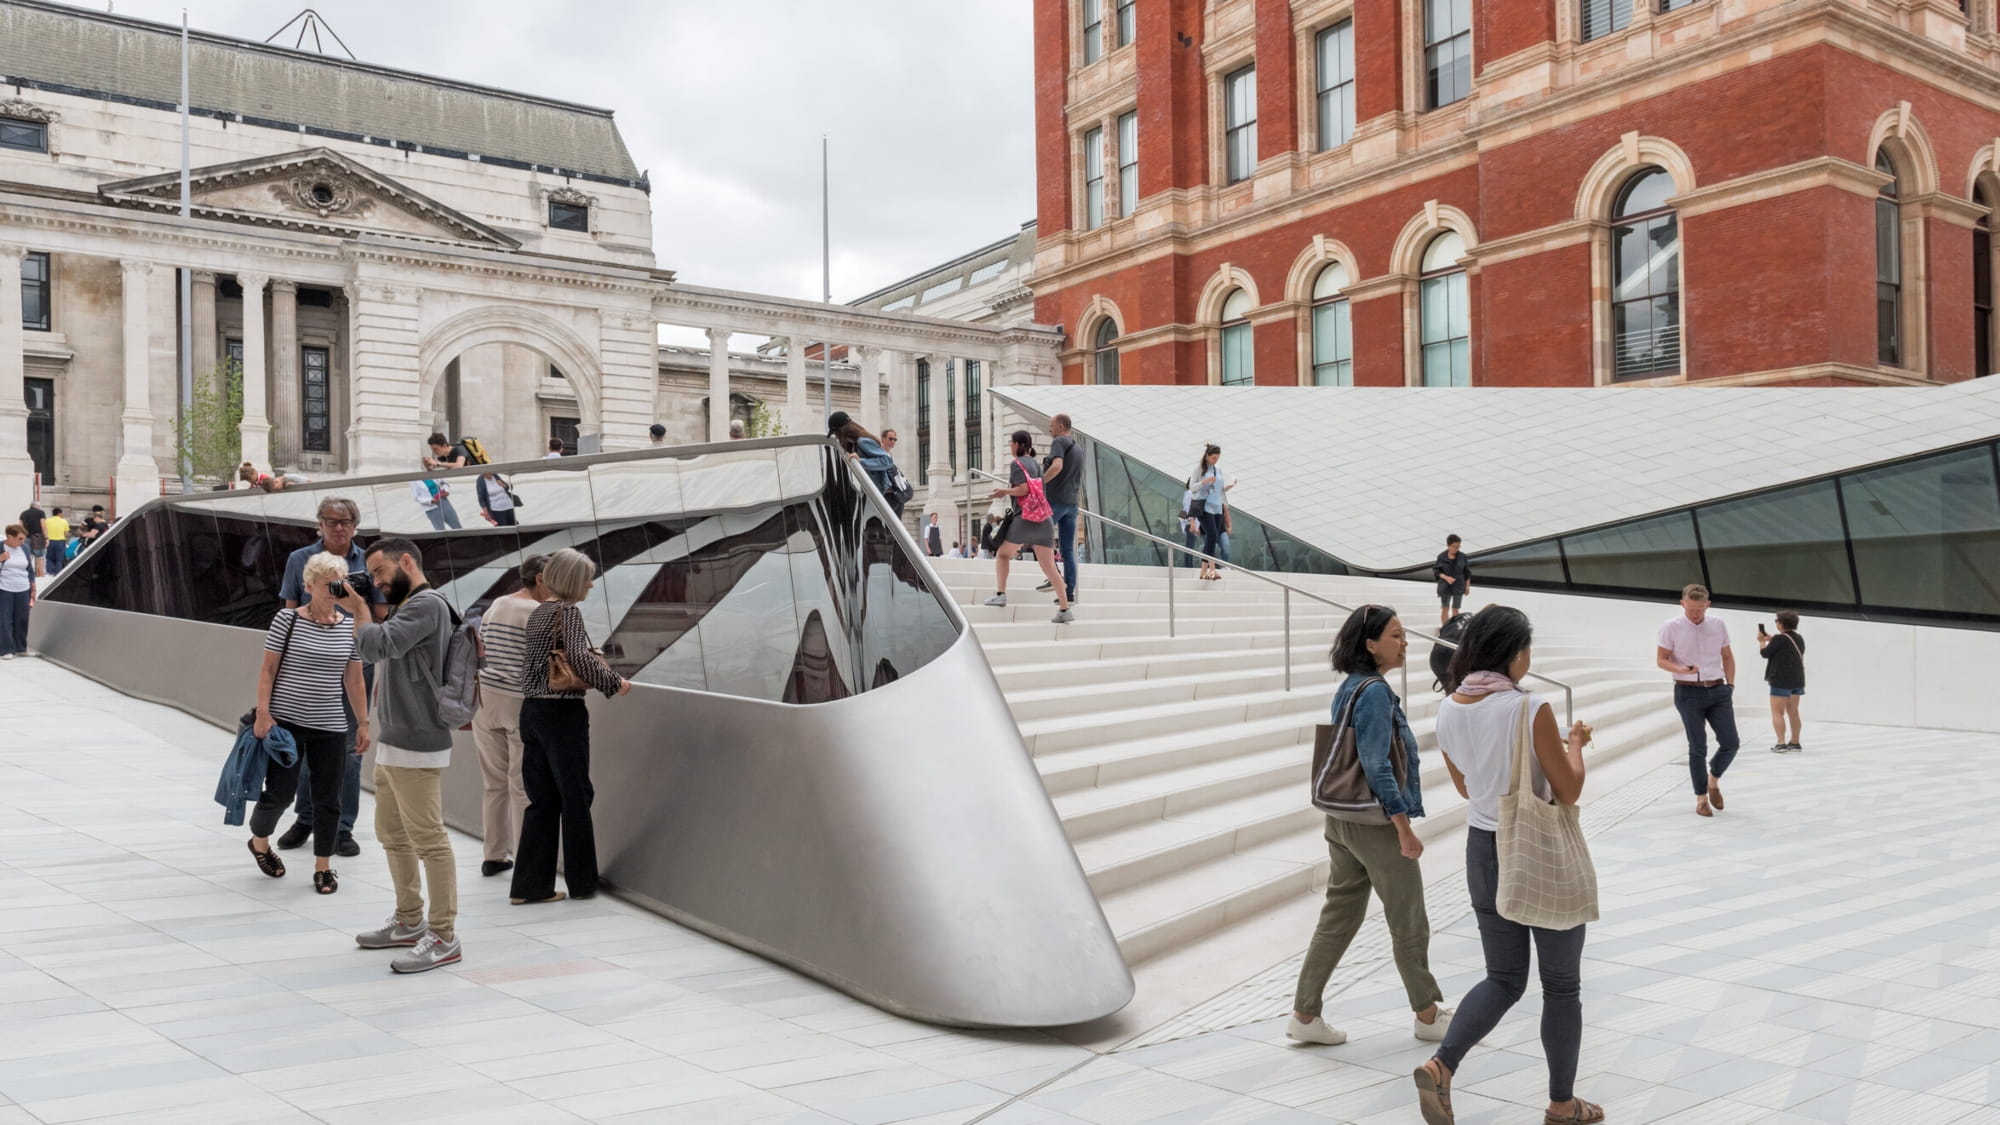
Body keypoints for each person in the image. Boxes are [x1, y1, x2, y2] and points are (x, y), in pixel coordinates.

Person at [1418, 605, 1600, 1125]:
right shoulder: (1529, 707)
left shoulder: (1449, 708)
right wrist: (1574, 744)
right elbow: (1567, 790)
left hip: (1483, 847)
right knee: (1562, 985)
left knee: (1503, 978)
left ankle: (1441, 1065)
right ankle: (1562, 1105)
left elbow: (1465, 787)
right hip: (1537, 849)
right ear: (1516, 652)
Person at [1289, 605, 1452, 1048]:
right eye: (1396, 635)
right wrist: (1403, 828)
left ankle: (1305, 1012)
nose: (1404, 643)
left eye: (1403, 635)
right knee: (1408, 917)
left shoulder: (1350, 687)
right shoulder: (1375, 691)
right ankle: (1428, 1012)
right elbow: (1377, 766)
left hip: (1340, 818)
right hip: (1373, 822)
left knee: (1338, 916)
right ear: (1370, 644)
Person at [343, 538, 462, 973]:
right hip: (394, 739)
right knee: (391, 834)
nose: (375, 582)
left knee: (429, 839)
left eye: (378, 573)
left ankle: (444, 934)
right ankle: (410, 921)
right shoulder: (407, 606)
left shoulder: (425, 605)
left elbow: (375, 647)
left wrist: (358, 609)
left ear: (406, 562)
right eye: (371, 576)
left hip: (418, 740)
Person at [245, 552, 370, 896]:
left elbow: (355, 680)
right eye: (326, 581)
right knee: (280, 794)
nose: (333, 588)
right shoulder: (287, 620)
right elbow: (268, 670)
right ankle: (258, 841)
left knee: (329, 798)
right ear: (309, 585)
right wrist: (263, 713)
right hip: (286, 723)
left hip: (330, 724)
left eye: (338, 581)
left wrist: (363, 722)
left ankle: (323, 866)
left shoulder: (349, 625)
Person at [513, 548, 630, 905]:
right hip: (561, 715)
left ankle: (530, 887)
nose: (591, 585)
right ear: (573, 581)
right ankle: (582, 882)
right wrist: (613, 682)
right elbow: (578, 657)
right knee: (576, 797)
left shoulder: (538, 613)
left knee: (542, 800)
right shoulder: (568, 612)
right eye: (587, 578)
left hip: (531, 712)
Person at [274, 496, 385, 860]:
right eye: (332, 521)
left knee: (351, 752)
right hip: (308, 668)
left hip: (354, 664)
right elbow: (289, 612)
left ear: (355, 525)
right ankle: (306, 819)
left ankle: (342, 828)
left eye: (346, 521)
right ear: (319, 524)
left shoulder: (370, 563)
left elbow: (381, 615)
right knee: (308, 748)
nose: (339, 527)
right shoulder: (298, 560)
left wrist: (356, 605)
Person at [472, 555, 546, 878]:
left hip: (484, 698)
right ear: (541, 579)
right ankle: (525, 858)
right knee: (520, 784)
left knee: (493, 784)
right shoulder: (536, 611)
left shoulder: (498, 603)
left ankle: (493, 855)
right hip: (518, 702)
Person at [1656, 583, 1737, 818]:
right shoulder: (1670, 627)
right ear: (1682, 604)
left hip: (1718, 689)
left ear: (1707, 605)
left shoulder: (1718, 624)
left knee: (1731, 743)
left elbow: (1728, 656)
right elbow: (1661, 659)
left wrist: (1730, 685)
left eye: (1700, 609)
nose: (1695, 614)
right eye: (1691, 609)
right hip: (1687, 691)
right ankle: (1701, 799)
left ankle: (1713, 780)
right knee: (1698, 747)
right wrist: (1681, 668)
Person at [983, 430, 1074, 624]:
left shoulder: (1016, 464)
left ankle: (1000, 594)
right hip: (1044, 519)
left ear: (1017, 444)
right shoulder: (1036, 464)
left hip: (1025, 518)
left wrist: (1003, 492)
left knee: (1003, 554)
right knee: (1050, 568)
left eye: (1010, 443)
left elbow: (1023, 489)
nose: (1010, 446)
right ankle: (1065, 609)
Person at [1038, 413, 1082, 605]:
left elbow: (1057, 466)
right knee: (1067, 551)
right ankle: (1069, 593)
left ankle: (1054, 577)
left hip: (1056, 501)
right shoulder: (1079, 448)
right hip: (1072, 504)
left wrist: (1040, 482)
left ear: (1061, 427)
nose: (1050, 428)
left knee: (1039, 537)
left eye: (1052, 425)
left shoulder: (1059, 443)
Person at [1758, 610, 1806, 753]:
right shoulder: (1799, 638)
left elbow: (1765, 653)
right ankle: (1795, 742)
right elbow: (1786, 646)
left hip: (1780, 680)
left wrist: (1762, 642)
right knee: (1793, 712)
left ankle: (1781, 743)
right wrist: (1771, 639)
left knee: (1777, 713)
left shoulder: (1779, 639)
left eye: (1777, 621)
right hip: (1797, 680)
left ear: (1781, 624)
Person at [828, 412, 898, 502]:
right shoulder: (854, 444)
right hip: (876, 494)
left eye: (836, 433)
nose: (837, 437)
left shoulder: (862, 441)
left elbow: (887, 461)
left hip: (886, 496)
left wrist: (861, 461)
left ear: (841, 431)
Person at [0, 524, 42, 660]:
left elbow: (29, 568)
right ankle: (6, 649)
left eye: (24, 539)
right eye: (20, 539)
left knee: (22, 618)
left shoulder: (24, 548)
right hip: (4, 587)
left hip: (23, 587)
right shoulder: (1, 547)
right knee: (4, 619)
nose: (22, 542)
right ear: (10, 537)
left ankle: (20, 648)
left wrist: (33, 584)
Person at [1190, 446, 1225, 580]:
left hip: (1217, 506)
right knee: (1212, 534)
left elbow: (1219, 488)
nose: (1215, 460)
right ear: (1207, 456)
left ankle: (1203, 571)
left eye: (1218, 458)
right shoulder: (1199, 469)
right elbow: (1191, 487)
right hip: (1203, 505)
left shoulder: (1218, 469)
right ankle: (1212, 570)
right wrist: (1204, 482)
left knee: (1212, 538)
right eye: (1213, 457)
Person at [1434, 535, 1472, 626]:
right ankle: (1445, 627)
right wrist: (1446, 578)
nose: (1456, 549)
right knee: (1445, 607)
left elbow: (1467, 573)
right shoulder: (1441, 557)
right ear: (1448, 545)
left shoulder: (1463, 557)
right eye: (1454, 546)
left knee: (1456, 608)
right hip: (1445, 585)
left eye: (1458, 546)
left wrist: (1467, 586)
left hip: (1458, 585)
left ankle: (1454, 628)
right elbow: (1436, 571)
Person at [42, 506, 69, 577]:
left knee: (49, 558)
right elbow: (66, 534)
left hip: (50, 541)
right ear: (59, 513)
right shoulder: (64, 521)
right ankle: (58, 574)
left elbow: (44, 530)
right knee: (59, 560)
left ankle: (49, 573)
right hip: (60, 542)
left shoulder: (47, 521)